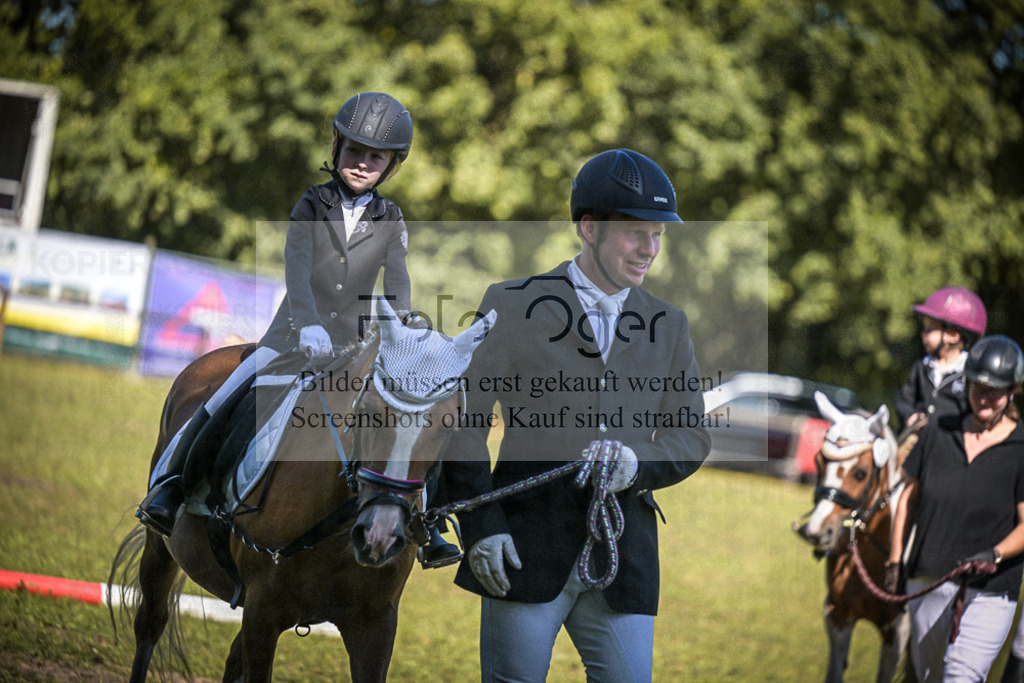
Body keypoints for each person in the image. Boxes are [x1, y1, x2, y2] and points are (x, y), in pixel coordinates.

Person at [137, 92, 461, 566]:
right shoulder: (313, 203)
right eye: (354, 151)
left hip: (355, 345)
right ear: (336, 149)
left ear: (391, 164)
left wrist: (400, 326)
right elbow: (297, 265)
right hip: (291, 335)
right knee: (226, 395)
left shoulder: (391, 219)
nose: (362, 163)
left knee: (407, 417)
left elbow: (396, 281)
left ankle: (428, 525)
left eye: (376, 156)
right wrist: (307, 324)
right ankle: (170, 487)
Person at [440, 149, 712, 681]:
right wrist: (481, 527)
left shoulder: (670, 323)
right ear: (589, 227)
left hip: (623, 554)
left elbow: (691, 435)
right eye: (636, 232)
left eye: (659, 235)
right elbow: (461, 425)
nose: (650, 249)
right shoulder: (514, 304)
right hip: (521, 549)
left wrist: (638, 464)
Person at [888, 334, 1024, 682]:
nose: (985, 397)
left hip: (990, 590)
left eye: (995, 390)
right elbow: (907, 498)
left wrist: (994, 554)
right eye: (978, 387)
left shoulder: (1021, 448)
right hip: (928, 581)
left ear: (1012, 391)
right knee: (928, 676)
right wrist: (893, 560)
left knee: (961, 675)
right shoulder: (937, 433)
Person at [896, 286, 987, 436]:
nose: (923, 334)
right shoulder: (922, 367)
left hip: (950, 445)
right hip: (917, 440)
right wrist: (909, 416)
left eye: (929, 329)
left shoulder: (969, 373)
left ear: (952, 335)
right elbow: (904, 400)